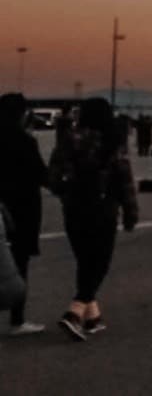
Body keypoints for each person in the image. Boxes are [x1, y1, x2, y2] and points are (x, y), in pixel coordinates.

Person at [48, 97, 138, 341]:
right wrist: (131, 212)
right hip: (103, 209)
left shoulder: (69, 139)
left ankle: (93, 318)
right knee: (99, 262)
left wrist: (66, 192)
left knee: (85, 260)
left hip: (74, 208)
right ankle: (75, 311)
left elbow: (54, 175)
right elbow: (124, 179)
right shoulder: (113, 141)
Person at [0, 93, 48, 335]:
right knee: (19, 264)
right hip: (22, 208)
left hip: (2, 206)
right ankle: (17, 320)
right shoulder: (24, 141)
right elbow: (41, 173)